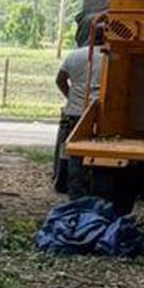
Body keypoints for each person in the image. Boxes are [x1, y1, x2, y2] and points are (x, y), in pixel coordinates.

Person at [55, 19, 108, 194]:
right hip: (102, 115)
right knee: (101, 155)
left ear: (89, 36)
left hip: (76, 112)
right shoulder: (113, 56)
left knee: (75, 155)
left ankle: (75, 193)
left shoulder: (74, 55)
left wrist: (71, 96)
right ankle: (98, 193)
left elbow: (60, 80)